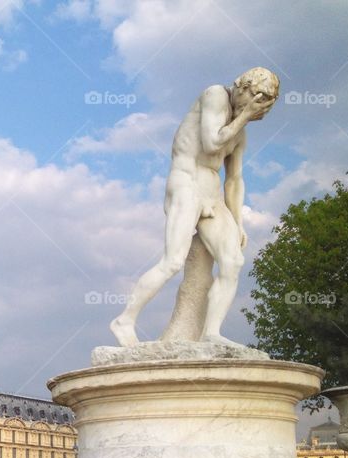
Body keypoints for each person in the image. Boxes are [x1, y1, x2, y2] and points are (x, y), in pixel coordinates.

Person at [110, 68, 279, 347]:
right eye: (256, 98)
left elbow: (234, 181)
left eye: (264, 104)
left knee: (233, 261)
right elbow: (212, 142)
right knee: (173, 261)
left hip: (211, 190)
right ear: (242, 86)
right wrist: (245, 116)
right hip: (186, 181)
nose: (257, 107)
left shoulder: (240, 133)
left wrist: (238, 223)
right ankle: (124, 320)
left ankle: (210, 333)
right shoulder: (215, 94)